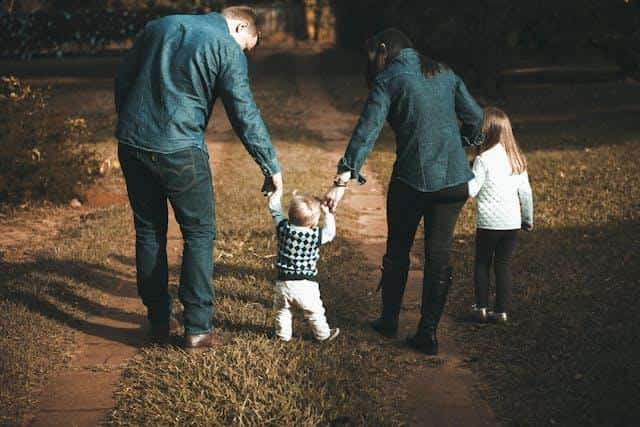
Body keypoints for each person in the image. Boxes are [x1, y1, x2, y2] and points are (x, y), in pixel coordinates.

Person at [114, 6, 283, 349]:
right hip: (180, 151)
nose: (243, 54)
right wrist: (270, 165)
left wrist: (130, 123)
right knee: (199, 233)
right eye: (246, 46)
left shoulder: (159, 26)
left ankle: (158, 321)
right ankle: (198, 327)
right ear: (239, 26)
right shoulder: (226, 47)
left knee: (149, 231)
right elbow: (244, 114)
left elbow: (123, 78)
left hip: (132, 144)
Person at [324, 28, 484, 355]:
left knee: (398, 251)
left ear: (383, 49)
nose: (373, 64)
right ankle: (428, 334)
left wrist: (341, 182)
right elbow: (477, 120)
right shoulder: (444, 71)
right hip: (454, 182)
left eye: (374, 56)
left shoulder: (389, 79)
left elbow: (365, 134)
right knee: (438, 257)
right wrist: (461, 145)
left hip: (412, 182)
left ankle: (389, 321)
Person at [468, 107, 534, 324]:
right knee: (503, 264)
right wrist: (527, 218)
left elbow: (472, 190)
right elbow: (525, 193)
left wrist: (464, 175)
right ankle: (501, 312)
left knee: (482, 263)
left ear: (486, 132)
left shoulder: (483, 160)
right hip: (512, 223)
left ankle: (481, 308)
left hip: (488, 223)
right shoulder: (517, 160)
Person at [268, 191, 340, 342]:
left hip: (283, 283)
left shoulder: (283, 229)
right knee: (314, 312)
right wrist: (328, 214)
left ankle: (282, 336)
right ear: (313, 223)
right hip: (306, 285)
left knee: (283, 311)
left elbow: (275, 210)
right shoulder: (315, 236)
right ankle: (323, 335)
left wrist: (274, 194)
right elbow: (330, 233)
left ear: (290, 215)